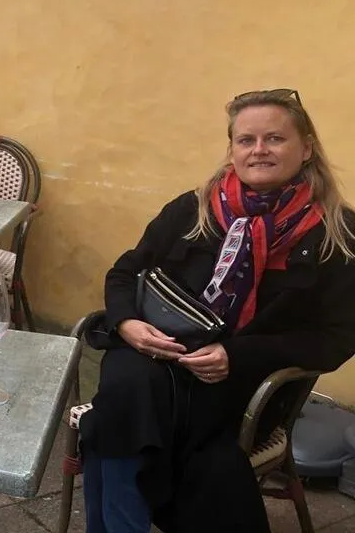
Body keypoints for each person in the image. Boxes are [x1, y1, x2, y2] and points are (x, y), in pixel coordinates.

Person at [80, 89, 355, 533]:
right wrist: (127, 322)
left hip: (239, 386)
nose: (259, 150)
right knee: (130, 384)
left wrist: (237, 355)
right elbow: (125, 272)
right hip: (156, 356)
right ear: (232, 149)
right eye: (246, 140)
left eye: (274, 138)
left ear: (306, 148)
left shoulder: (337, 235)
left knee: (113, 419)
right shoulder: (192, 209)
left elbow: (338, 337)